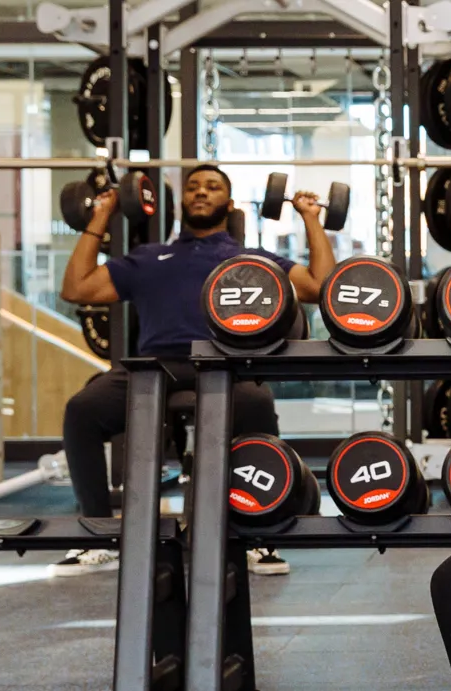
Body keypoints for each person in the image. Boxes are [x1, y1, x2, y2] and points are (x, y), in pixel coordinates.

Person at [50, 165, 339, 578]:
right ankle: (97, 536)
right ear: (181, 201)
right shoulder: (149, 258)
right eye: (193, 187)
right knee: (82, 409)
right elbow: (76, 288)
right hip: (154, 367)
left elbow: (320, 286)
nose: (201, 192)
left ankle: (258, 534)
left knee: (256, 402)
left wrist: (311, 217)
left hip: (224, 363)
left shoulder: (251, 259)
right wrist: (102, 214)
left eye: (212, 186)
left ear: (230, 203)